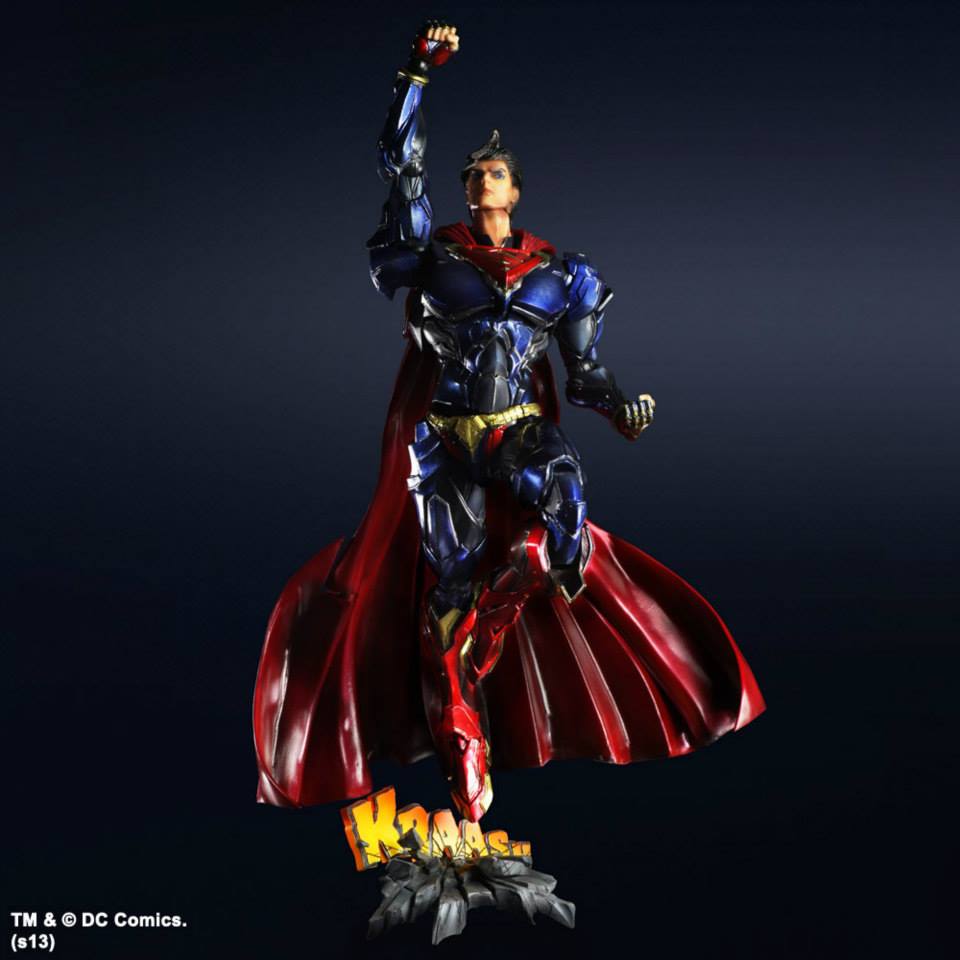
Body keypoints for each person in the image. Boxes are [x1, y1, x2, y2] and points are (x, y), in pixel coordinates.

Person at [253, 22, 764, 823]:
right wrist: (415, 76)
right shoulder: (434, 259)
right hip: (445, 436)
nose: (478, 178)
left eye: (491, 171)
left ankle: (493, 624)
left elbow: (584, 372)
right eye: (471, 173)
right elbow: (403, 172)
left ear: (515, 190)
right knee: (449, 586)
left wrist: (621, 408)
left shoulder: (562, 274)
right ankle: (461, 728)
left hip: (519, 427)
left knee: (562, 518)